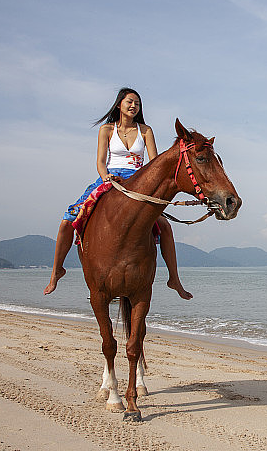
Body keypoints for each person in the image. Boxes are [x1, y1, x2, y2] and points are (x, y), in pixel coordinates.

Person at [43, 87, 192, 300]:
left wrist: (148, 184)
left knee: (165, 227)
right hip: (110, 178)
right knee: (68, 220)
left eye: (137, 103)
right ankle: (57, 270)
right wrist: (106, 177)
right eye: (130, 102)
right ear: (119, 104)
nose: (133, 106)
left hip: (138, 181)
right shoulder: (106, 130)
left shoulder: (145, 131)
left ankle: (174, 278)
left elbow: (155, 163)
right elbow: (100, 162)